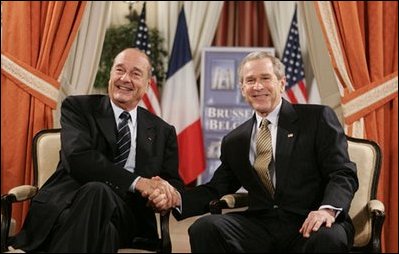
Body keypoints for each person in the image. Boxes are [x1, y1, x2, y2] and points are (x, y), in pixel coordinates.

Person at [152, 51, 359, 252]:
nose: (258, 86)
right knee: (205, 228)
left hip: (310, 219)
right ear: (242, 88)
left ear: (282, 82)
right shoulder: (235, 140)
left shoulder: (316, 118)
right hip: (262, 225)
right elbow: (216, 188)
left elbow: (342, 173)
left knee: (328, 237)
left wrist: (327, 210)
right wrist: (176, 198)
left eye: (265, 78)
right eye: (250, 81)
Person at [10, 48, 184, 253]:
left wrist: (164, 195)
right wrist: (138, 183)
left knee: (99, 195)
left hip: (128, 215)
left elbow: (171, 181)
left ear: (147, 84)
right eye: (119, 70)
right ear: (110, 74)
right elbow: (78, 159)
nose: (125, 78)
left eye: (135, 74)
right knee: (105, 228)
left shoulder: (162, 131)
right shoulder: (79, 108)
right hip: (69, 204)